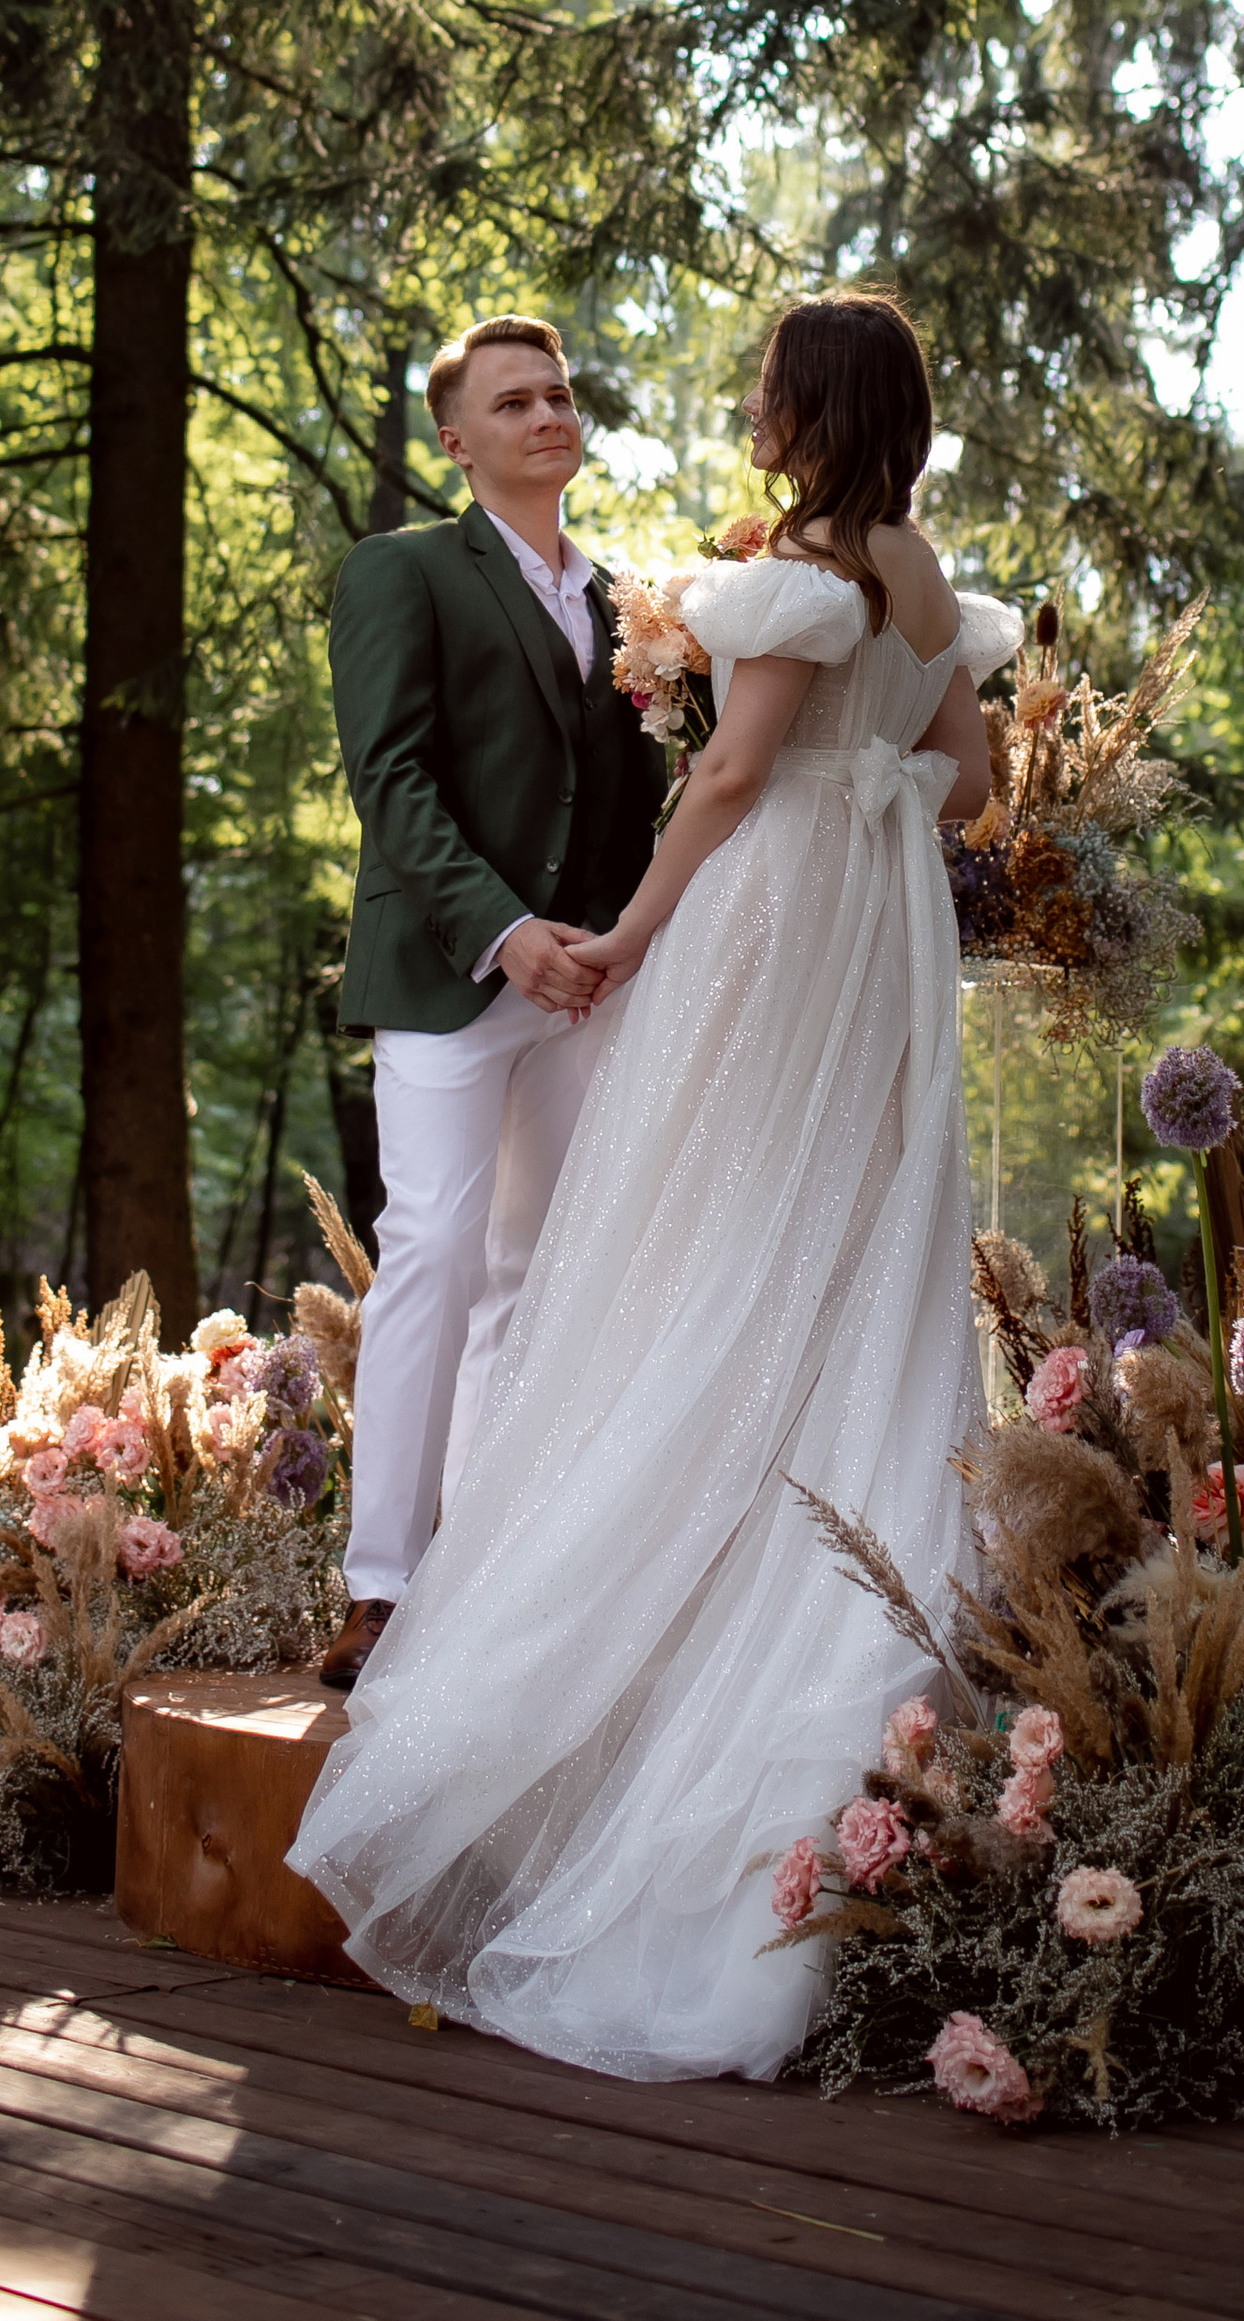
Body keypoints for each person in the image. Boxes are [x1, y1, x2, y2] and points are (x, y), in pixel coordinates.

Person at [291, 290, 1017, 2080]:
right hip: (866, 943)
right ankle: (409, 1571)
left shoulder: (778, 579)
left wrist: (660, 904)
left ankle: (560, 1600)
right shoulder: (925, 581)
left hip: (760, 924)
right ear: (459, 430)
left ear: (819, 408)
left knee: (679, 1255)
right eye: (515, 397)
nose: (748, 403)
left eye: (774, 385)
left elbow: (729, 773)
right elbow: (973, 791)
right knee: (815, 1249)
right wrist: (869, 810)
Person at [315, 314, 666, 1695]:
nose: (546, 415)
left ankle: (483, 1576)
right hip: (456, 975)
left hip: (592, 984)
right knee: (435, 1254)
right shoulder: (401, 574)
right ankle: (383, 1588)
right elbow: (390, 776)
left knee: (537, 1278)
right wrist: (507, 933)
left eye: (560, 395)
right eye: (513, 402)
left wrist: (620, 944)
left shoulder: (637, 606)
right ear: (457, 442)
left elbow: (649, 797)